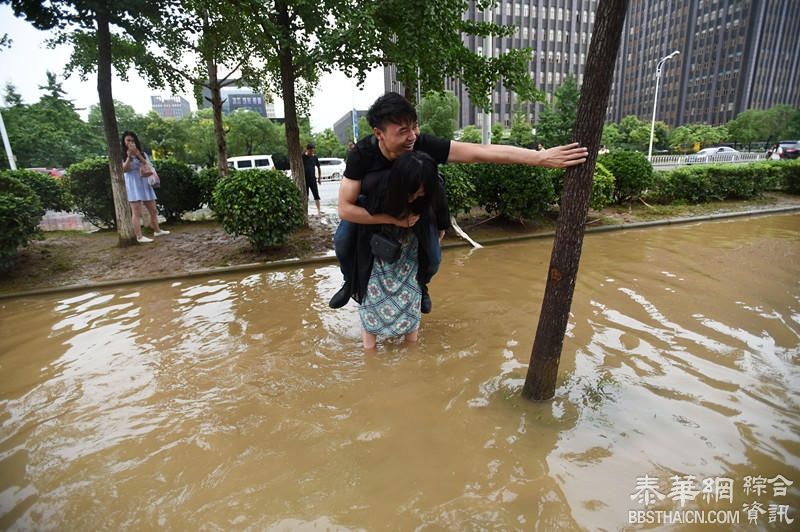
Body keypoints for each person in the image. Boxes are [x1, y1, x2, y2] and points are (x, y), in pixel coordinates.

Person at [329, 92, 588, 313]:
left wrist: (539, 158)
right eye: (403, 131)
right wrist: (391, 220)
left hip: (418, 208)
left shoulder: (423, 144)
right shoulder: (362, 154)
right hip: (375, 207)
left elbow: (480, 152)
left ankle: (422, 285)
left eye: (414, 126)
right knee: (342, 240)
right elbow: (345, 208)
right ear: (379, 133)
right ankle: (350, 280)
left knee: (433, 259)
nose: (412, 136)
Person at [357, 151, 439, 349]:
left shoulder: (430, 193)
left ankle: (412, 348)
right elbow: (358, 216)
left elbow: (439, 224)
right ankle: (369, 354)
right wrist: (396, 221)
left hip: (411, 254)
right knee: (371, 300)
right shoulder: (376, 187)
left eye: (420, 193)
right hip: (379, 254)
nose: (415, 197)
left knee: (412, 295)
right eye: (412, 192)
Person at [121, 131, 170, 244]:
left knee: (153, 209)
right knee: (136, 211)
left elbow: (147, 165)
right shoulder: (122, 155)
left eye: (132, 140)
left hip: (144, 181)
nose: (131, 142)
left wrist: (137, 155)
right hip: (132, 183)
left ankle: (157, 230)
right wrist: (129, 157)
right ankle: (139, 236)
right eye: (128, 140)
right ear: (124, 142)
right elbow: (124, 169)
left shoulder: (142, 153)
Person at [303, 143, 322, 215]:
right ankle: (305, 212)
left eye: (313, 151)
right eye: (311, 151)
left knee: (316, 195)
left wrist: (319, 178)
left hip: (313, 179)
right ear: (307, 150)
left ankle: (319, 211)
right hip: (304, 180)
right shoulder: (302, 157)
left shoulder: (315, 157)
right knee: (306, 196)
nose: (312, 152)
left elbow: (318, 167)